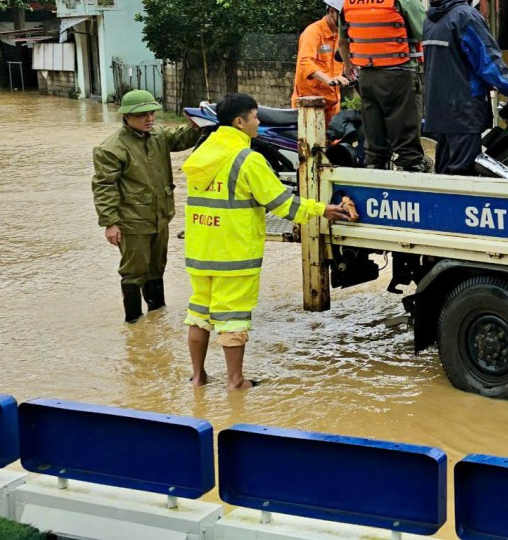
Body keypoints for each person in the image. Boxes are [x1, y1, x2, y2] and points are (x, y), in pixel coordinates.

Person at [181, 93, 352, 390]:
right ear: (239, 122)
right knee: (233, 319)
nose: (258, 122)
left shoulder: (200, 156)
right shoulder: (248, 160)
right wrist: (324, 210)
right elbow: (283, 204)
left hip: (199, 251)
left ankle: (198, 377)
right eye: (255, 117)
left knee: (198, 315)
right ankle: (235, 381)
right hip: (233, 256)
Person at [92, 89, 202, 324]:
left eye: (151, 113)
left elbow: (183, 138)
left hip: (160, 217)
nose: (149, 118)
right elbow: (104, 187)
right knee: (133, 271)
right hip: (132, 221)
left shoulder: (158, 136)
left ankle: (156, 318)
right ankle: (133, 322)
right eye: (142, 115)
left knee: (156, 268)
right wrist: (110, 223)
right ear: (127, 117)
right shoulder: (111, 148)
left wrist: (201, 122)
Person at [422, 0, 508, 174]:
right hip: (463, 111)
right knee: (463, 175)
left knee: (444, 173)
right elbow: (487, 60)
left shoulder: (431, 18)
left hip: (438, 109)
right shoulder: (465, 16)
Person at [343, 0, 428, 171]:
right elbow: (427, 35)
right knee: (407, 143)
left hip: (367, 76)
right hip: (400, 77)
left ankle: (377, 187)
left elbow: (343, 41)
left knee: (375, 143)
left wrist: (349, 66)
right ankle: (412, 191)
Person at [293, 0, 352, 125]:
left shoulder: (340, 35)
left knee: (336, 144)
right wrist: (328, 80)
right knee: (313, 145)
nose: (346, 21)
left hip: (332, 104)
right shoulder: (313, 33)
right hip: (311, 105)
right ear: (331, 11)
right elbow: (305, 62)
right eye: (343, 17)